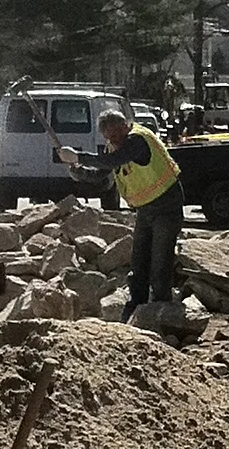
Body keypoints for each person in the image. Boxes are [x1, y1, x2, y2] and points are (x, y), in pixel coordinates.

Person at [61, 110, 184, 317]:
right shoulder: (116, 148)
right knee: (139, 259)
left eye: (116, 136)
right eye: (109, 139)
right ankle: (137, 304)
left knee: (160, 261)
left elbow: (111, 161)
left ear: (124, 126)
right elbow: (101, 175)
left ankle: (162, 309)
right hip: (145, 209)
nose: (114, 142)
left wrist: (79, 156)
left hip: (166, 206)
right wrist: (78, 171)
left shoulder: (137, 140)